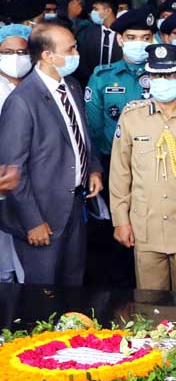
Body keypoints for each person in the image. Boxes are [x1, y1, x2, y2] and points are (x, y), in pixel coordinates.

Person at [0, 21, 104, 286]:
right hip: (41, 216)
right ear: (47, 56)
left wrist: (92, 167)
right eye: (70, 50)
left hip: (74, 207)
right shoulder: (23, 101)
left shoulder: (72, 87)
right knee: (42, 295)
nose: (76, 54)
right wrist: (32, 222)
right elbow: (14, 169)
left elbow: (80, 135)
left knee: (73, 286)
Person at [109, 44, 176, 292]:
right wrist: (120, 220)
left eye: (169, 75)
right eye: (156, 75)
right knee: (150, 305)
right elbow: (119, 171)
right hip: (144, 226)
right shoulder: (131, 116)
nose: (162, 81)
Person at [85, 7, 157, 165]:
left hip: (155, 159)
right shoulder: (102, 77)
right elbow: (95, 127)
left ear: (152, 40)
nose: (139, 43)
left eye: (145, 38)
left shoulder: (162, 76)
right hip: (113, 159)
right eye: (131, 37)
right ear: (120, 40)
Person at [0, 24, 31, 284]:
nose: (15, 58)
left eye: (21, 52)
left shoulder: (40, 87)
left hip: (33, 188)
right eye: (7, 52)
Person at [75, 0, 122, 86]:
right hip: (91, 83)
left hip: (118, 85)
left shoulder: (124, 33)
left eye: (96, 9)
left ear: (108, 11)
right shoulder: (86, 33)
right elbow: (81, 62)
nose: (92, 12)